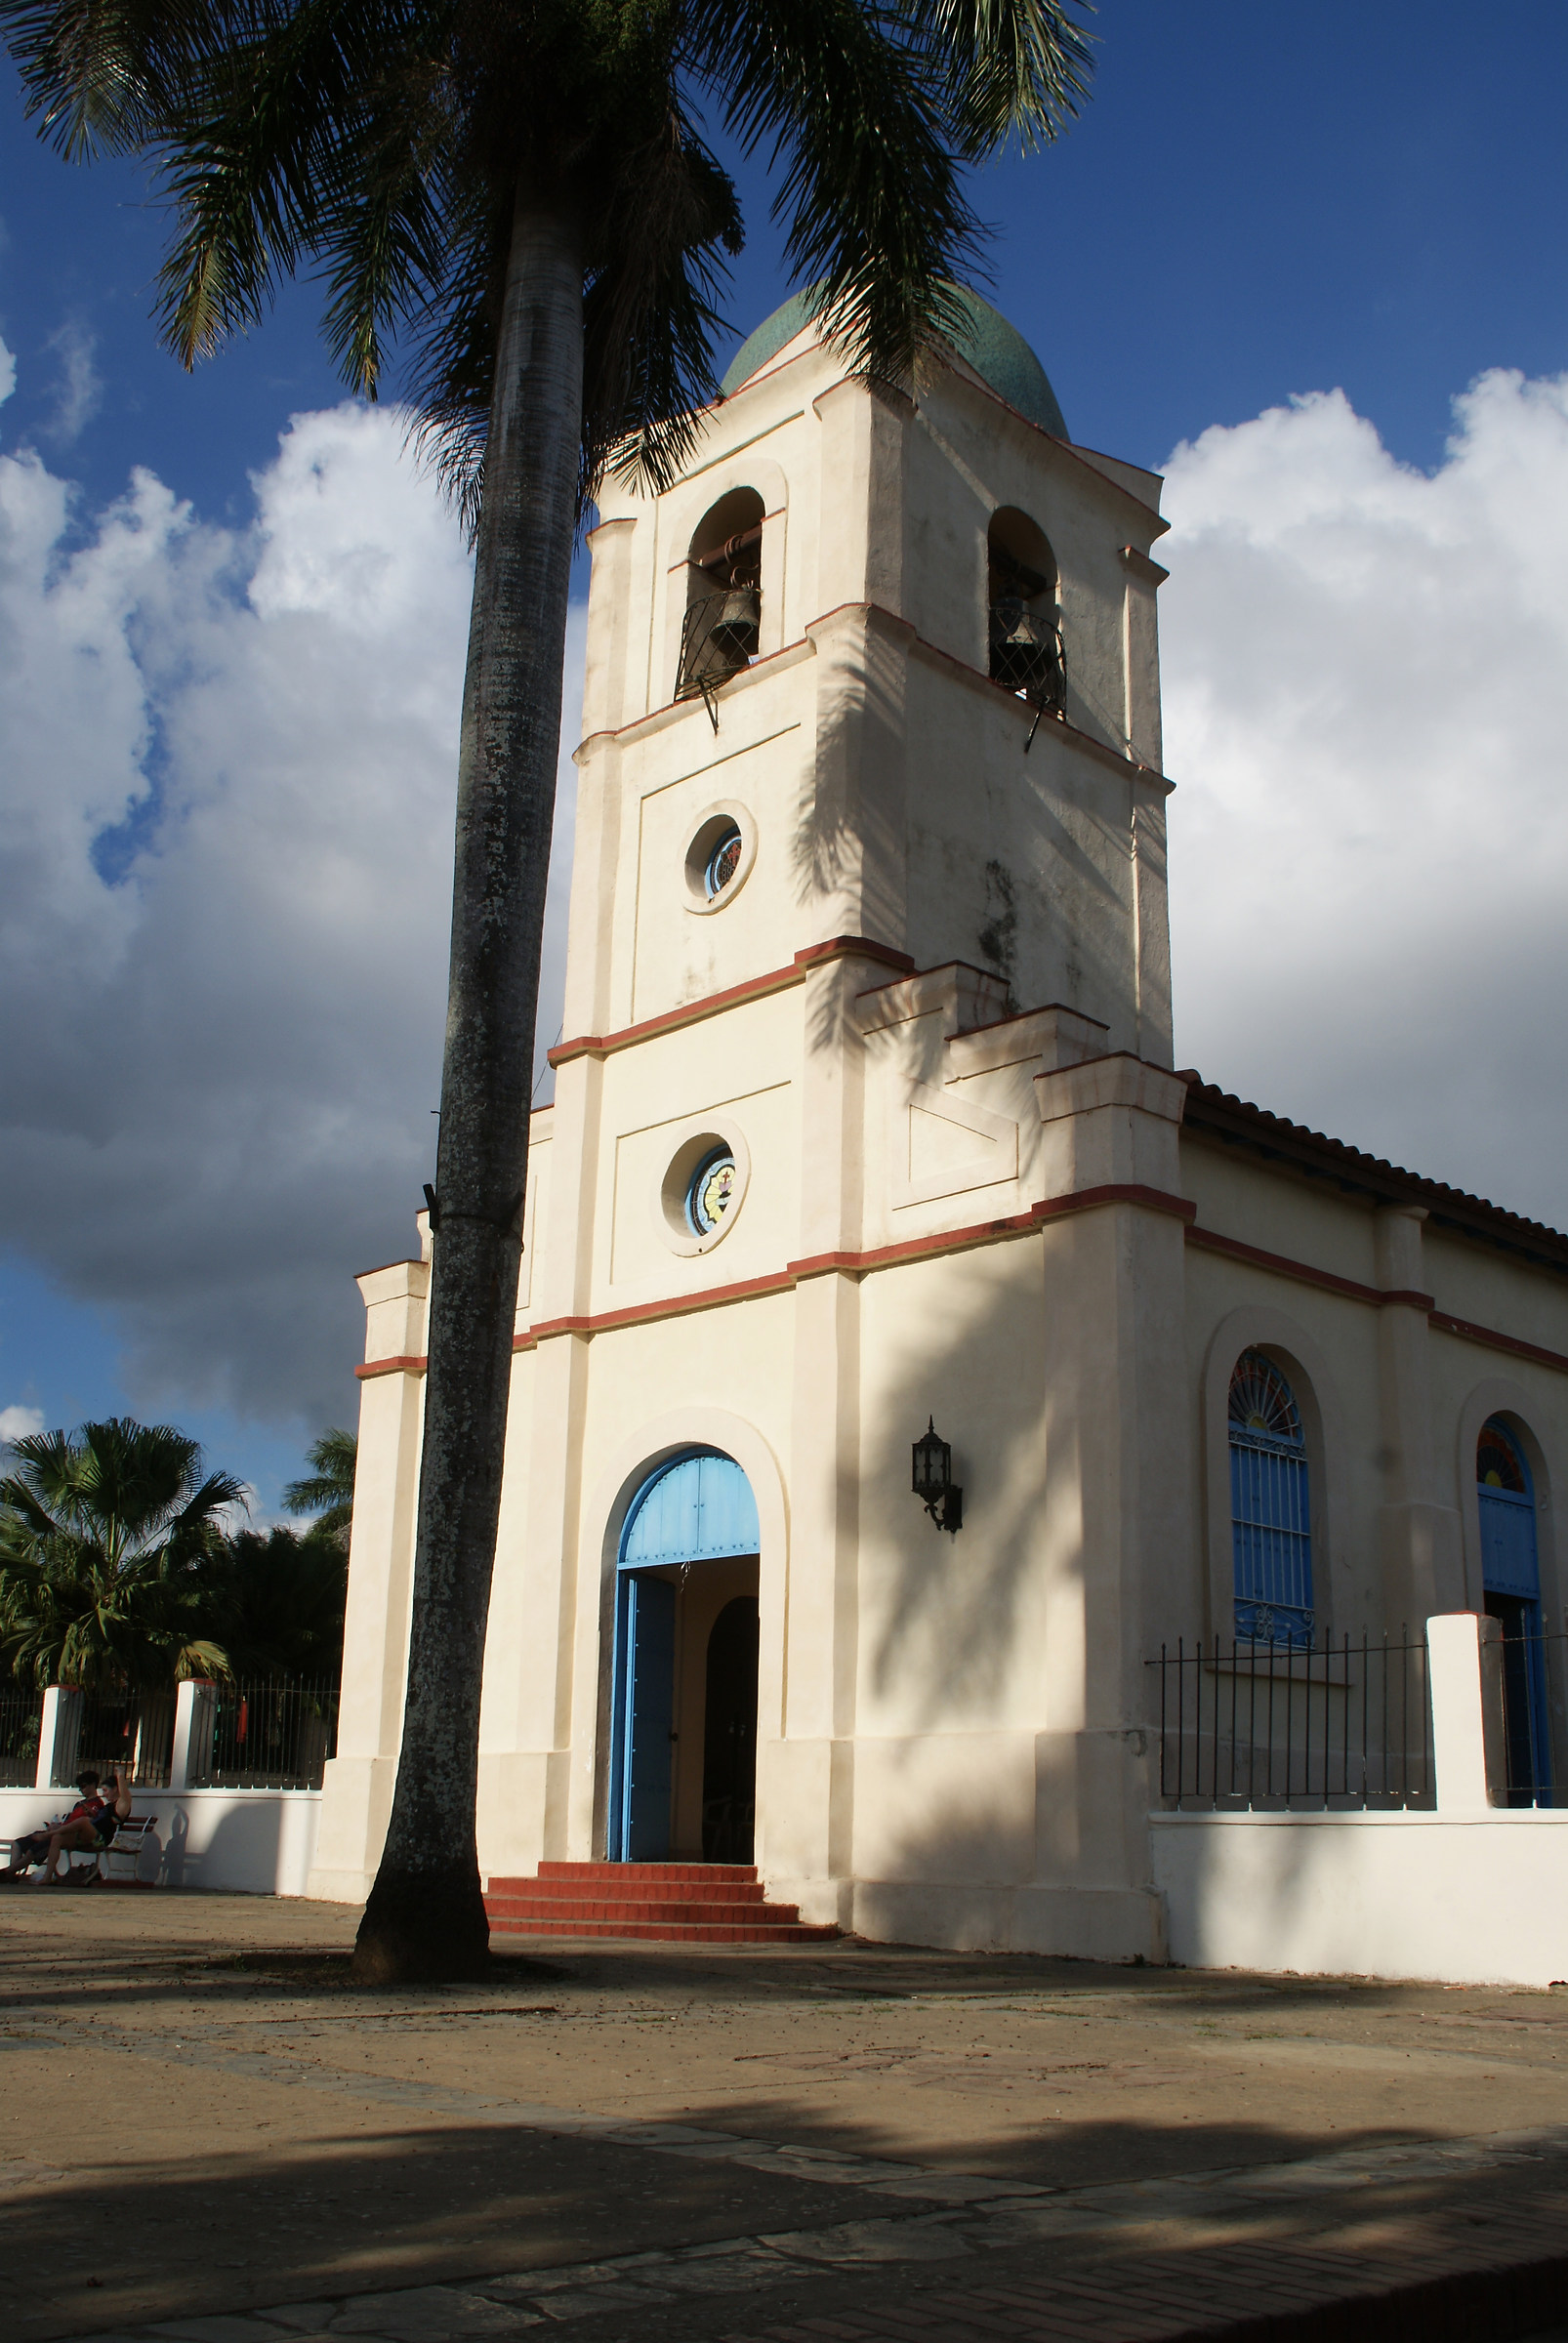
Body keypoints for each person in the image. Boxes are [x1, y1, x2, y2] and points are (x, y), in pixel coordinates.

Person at [1, 1765, 132, 1883]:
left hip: (100, 1839)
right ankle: (45, 1877)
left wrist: (120, 1775)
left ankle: (49, 1835)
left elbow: (126, 1796)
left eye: (106, 1790)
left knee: (82, 1821)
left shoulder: (120, 1806)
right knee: (57, 1839)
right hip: (86, 1835)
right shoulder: (106, 1806)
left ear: (115, 1789)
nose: (104, 1794)